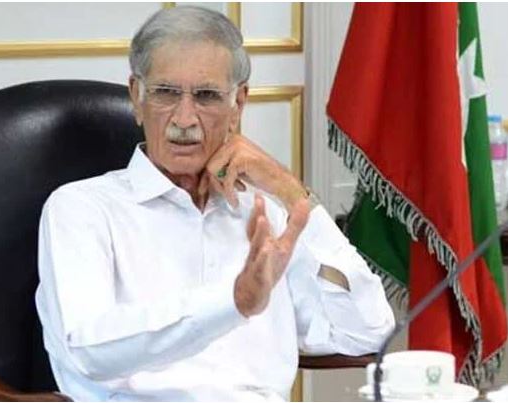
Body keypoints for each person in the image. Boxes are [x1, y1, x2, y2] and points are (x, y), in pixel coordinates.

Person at [35, 6, 394, 401]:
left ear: (238, 104)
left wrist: (290, 190)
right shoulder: (81, 209)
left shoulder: (265, 214)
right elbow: (88, 351)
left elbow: (367, 332)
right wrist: (233, 302)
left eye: (206, 96)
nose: (184, 118)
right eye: (166, 93)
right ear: (137, 97)